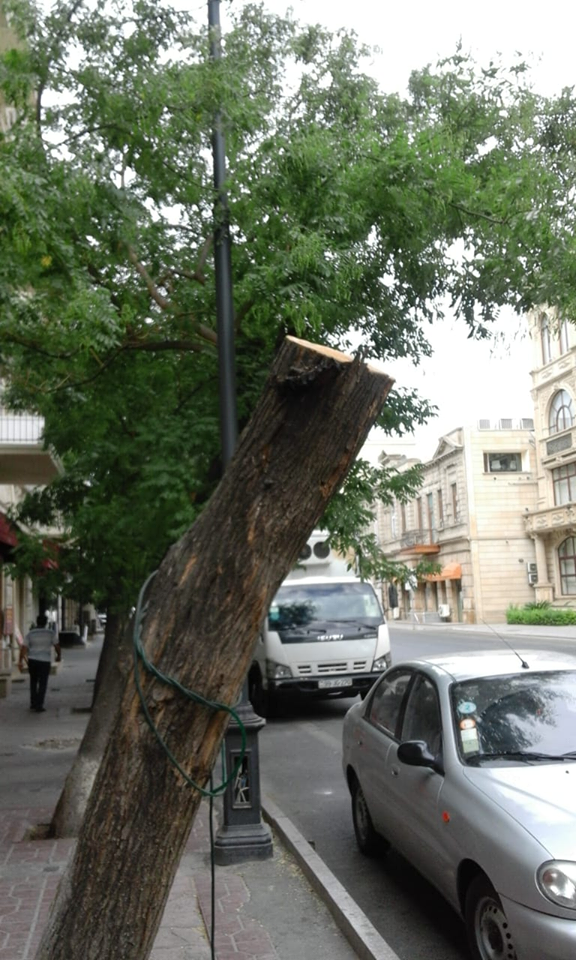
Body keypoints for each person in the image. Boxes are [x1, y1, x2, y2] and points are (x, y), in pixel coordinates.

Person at [19, 614, 61, 712]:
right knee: (43, 683)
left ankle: (33, 703)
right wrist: (59, 655)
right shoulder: (50, 633)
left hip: (32, 661)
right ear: (46, 623)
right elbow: (57, 646)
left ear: (36, 622)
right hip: (45, 661)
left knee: (33, 682)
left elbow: (24, 648)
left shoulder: (30, 634)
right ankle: (39, 705)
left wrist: (20, 661)